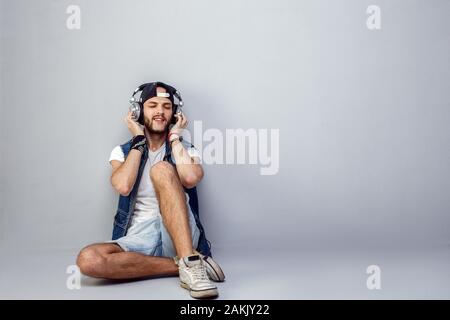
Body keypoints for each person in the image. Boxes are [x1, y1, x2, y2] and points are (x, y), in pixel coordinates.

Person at [76, 82, 225, 299]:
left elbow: (191, 178)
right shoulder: (123, 151)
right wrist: (138, 141)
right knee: (88, 260)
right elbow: (123, 186)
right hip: (139, 237)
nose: (160, 112)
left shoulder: (185, 149)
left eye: (166, 107)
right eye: (152, 105)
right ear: (138, 111)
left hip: (179, 233)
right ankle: (188, 264)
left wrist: (175, 138)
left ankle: (189, 260)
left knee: (162, 169)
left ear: (175, 113)